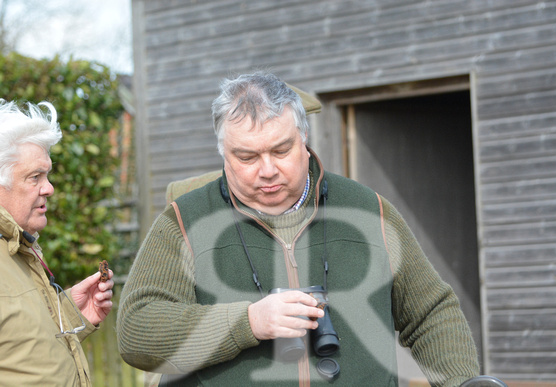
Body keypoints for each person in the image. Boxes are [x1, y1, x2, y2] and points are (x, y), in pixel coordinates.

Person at [117, 72, 480, 386]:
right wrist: (249, 321)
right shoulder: (184, 220)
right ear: (223, 154)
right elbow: (136, 330)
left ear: (304, 142)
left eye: (281, 150)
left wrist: (463, 384)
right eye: (247, 157)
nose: (268, 169)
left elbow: (431, 313)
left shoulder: (369, 210)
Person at [0, 99, 114, 387]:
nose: (49, 188)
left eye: (47, 175)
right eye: (34, 177)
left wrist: (71, 313)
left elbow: (22, 352)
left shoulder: (19, 249)